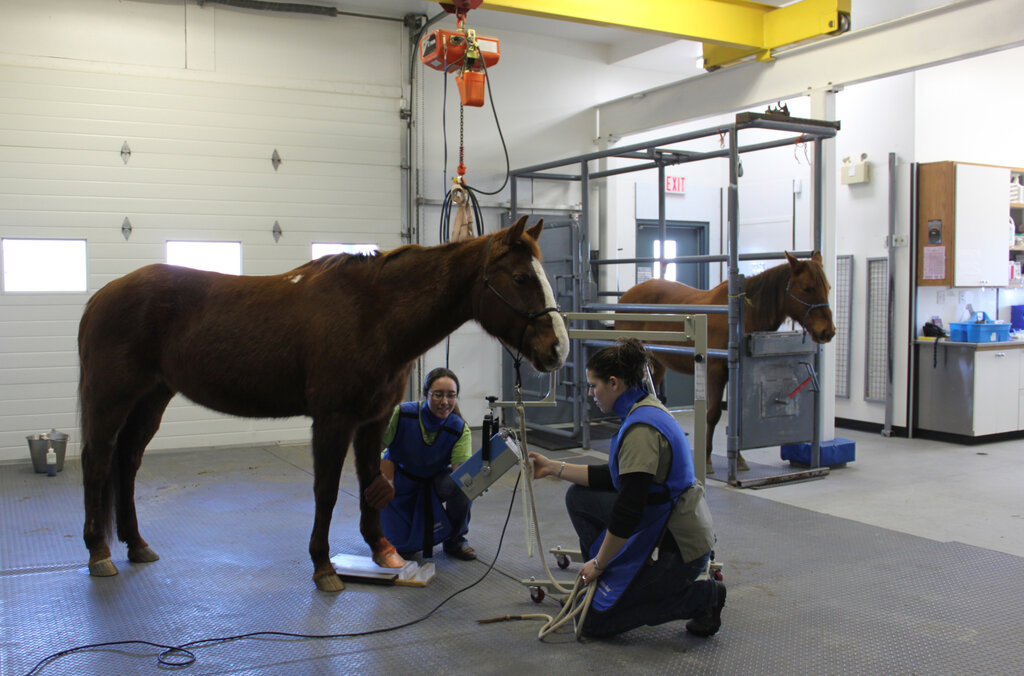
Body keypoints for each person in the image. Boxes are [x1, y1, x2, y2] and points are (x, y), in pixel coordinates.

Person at [528, 338, 726, 638]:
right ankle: (619, 577)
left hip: (680, 548)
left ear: (614, 383)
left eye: (594, 386)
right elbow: (615, 477)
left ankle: (703, 597)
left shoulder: (641, 431)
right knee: (580, 498)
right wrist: (552, 467)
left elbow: (628, 508)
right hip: (662, 525)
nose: (592, 394)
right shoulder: (643, 409)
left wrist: (598, 563)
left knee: (594, 622)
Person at [374, 367, 477, 561]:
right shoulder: (402, 414)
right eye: (438, 395)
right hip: (398, 482)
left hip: (432, 484)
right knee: (403, 551)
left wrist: (476, 481)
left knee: (463, 485)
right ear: (425, 394)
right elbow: (375, 450)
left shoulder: (459, 429)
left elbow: (460, 471)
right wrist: (378, 481)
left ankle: (456, 540)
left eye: (451, 395)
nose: (445, 402)